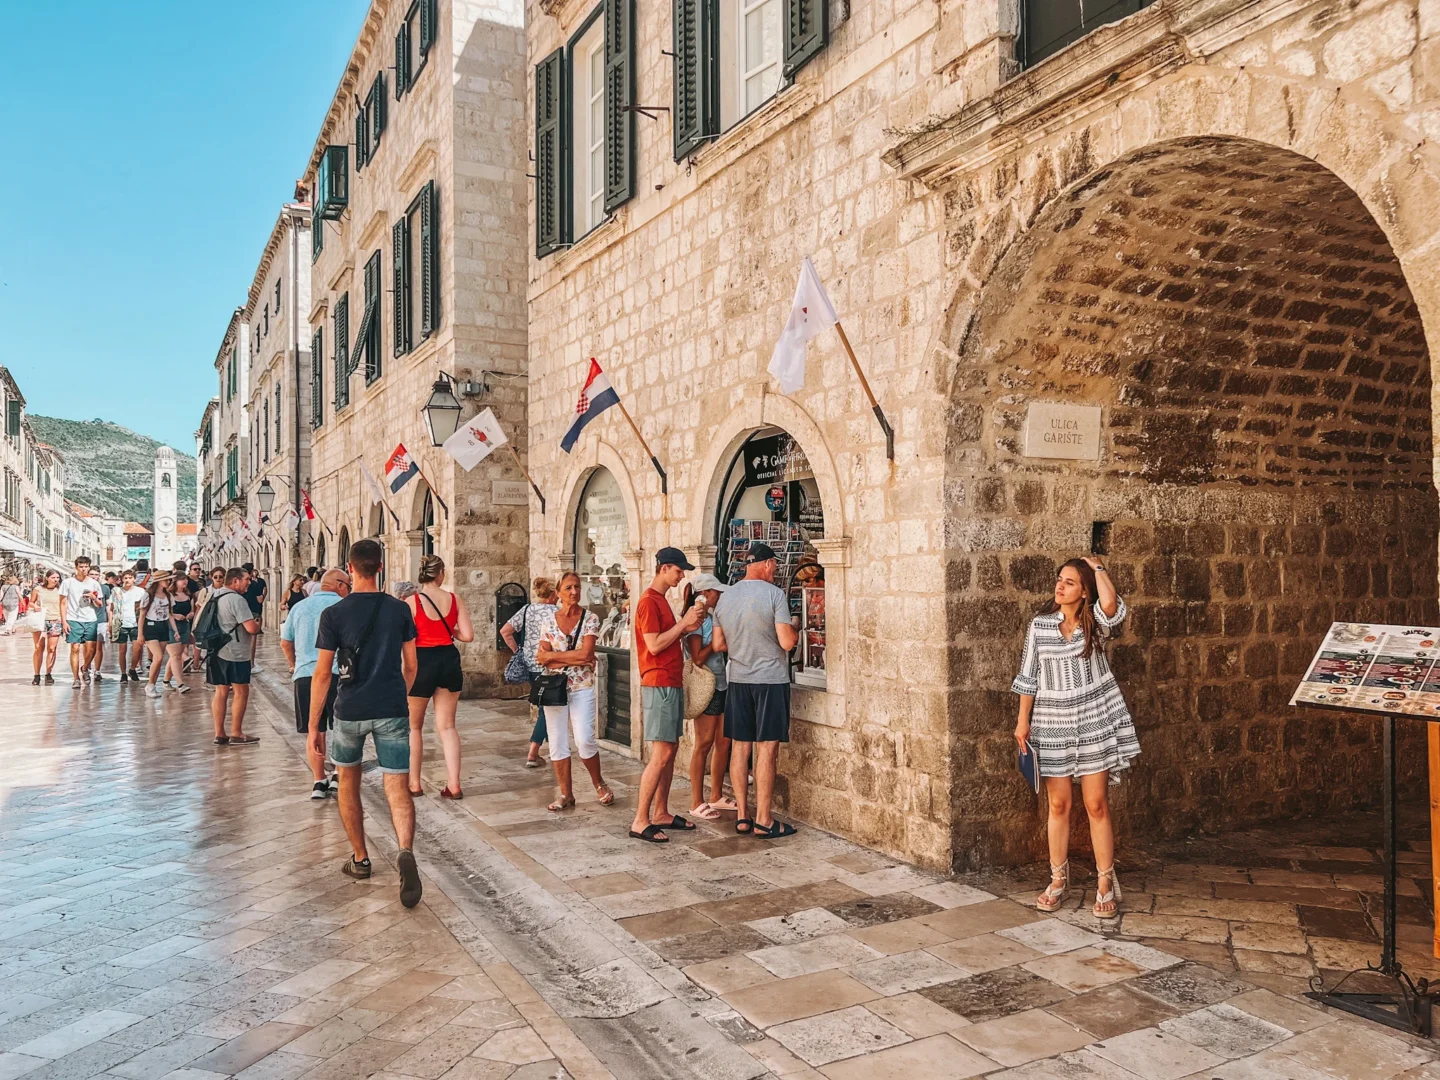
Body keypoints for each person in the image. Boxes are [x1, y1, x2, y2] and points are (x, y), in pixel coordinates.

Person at [1013, 557, 1137, 920]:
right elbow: (1028, 676)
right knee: (1059, 805)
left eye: (1069, 582)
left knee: (1097, 804)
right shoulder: (1040, 626)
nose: (1060, 586)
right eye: (1059, 580)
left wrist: (1097, 569)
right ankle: (1057, 879)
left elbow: (1112, 606)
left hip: (1093, 720)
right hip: (1051, 722)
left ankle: (1105, 883)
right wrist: (1023, 723)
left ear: (1084, 592)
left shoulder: (1095, 623)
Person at [310, 539, 422, 908]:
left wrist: (314, 726)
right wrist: (396, 694)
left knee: (347, 783)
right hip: (391, 708)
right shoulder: (400, 610)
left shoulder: (334, 615)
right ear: (381, 566)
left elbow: (323, 674)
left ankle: (360, 858)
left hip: (349, 711)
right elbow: (411, 666)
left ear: (350, 567)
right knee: (397, 786)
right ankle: (405, 850)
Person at [712, 542, 799, 840]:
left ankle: (742, 817)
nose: (774, 570)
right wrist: (795, 627)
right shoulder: (774, 595)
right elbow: (787, 642)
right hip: (770, 681)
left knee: (740, 747)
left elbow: (718, 645)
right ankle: (764, 819)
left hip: (738, 679)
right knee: (767, 748)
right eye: (773, 564)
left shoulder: (725, 597)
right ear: (766, 564)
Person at [628, 549, 704, 844]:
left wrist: (684, 628)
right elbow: (654, 645)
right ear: (664, 568)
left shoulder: (659, 602)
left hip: (669, 682)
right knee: (660, 755)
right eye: (679, 570)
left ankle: (660, 812)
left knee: (670, 752)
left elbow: (666, 639)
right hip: (659, 682)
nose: (682, 574)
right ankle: (640, 820)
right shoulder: (649, 602)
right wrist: (684, 624)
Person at [534, 571, 614, 812]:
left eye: (577, 587)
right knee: (557, 741)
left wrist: (554, 657)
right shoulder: (548, 621)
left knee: (584, 739)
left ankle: (599, 783)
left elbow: (587, 654)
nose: (574, 592)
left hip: (581, 687)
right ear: (558, 593)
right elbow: (542, 659)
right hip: (554, 688)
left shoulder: (589, 618)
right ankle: (566, 794)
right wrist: (570, 659)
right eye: (568, 588)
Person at [404, 556, 475, 799]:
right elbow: (467, 636)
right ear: (440, 574)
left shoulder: (411, 603)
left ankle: (414, 783)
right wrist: (450, 629)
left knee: (414, 726)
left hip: (421, 661)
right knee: (447, 726)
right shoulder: (454, 599)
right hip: (447, 659)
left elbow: (406, 640)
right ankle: (454, 784)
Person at [281, 567, 350, 799]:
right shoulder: (343, 608)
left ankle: (318, 781)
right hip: (337, 673)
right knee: (340, 727)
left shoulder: (300, 607)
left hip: (305, 673)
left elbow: (285, 641)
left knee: (314, 729)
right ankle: (338, 775)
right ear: (339, 585)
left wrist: (294, 663)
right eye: (348, 586)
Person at [684, 573, 736, 821]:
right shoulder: (697, 622)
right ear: (704, 595)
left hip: (722, 684)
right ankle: (696, 801)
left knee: (723, 741)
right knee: (703, 744)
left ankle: (716, 794)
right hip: (707, 686)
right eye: (716, 592)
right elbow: (697, 657)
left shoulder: (715, 617)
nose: (720, 596)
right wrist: (715, 644)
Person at [500, 577, 558, 767]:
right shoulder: (558, 612)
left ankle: (552, 748)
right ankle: (533, 752)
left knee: (544, 705)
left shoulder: (526, 610)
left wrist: (519, 651)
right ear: (553, 593)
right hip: (551, 665)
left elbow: (505, 631)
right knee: (547, 708)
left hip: (531, 666)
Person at [208, 567, 261, 744]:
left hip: (216, 651)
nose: (249, 582)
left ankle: (219, 733)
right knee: (241, 691)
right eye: (246, 579)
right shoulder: (237, 600)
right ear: (235, 581)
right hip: (236, 652)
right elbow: (251, 628)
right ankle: (236, 732)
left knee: (221, 691)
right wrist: (258, 623)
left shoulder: (214, 595)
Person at [59, 555, 105, 688]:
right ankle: (75, 678)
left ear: (89, 567)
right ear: (76, 567)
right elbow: (62, 603)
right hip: (73, 618)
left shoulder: (94, 584)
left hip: (90, 619)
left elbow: (99, 604)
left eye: (86, 567)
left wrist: (93, 598)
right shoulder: (68, 583)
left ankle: (84, 668)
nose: (83, 569)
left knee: (91, 649)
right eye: (81, 567)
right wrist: (64, 621)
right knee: (75, 647)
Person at [140, 573, 176, 698]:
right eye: (166, 580)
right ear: (160, 581)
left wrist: (175, 630)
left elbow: (170, 614)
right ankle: (150, 684)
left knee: (158, 660)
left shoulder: (168, 595)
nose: (168, 582)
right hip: (150, 626)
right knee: (158, 656)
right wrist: (140, 634)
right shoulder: (148, 595)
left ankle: (152, 685)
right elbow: (142, 615)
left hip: (163, 626)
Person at [111, 570, 147, 681]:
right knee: (122, 650)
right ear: (122, 579)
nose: (127, 580)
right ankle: (123, 673)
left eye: (130, 577)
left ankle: (132, 669)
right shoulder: (117, 591)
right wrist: (110, 622)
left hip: (135, 623)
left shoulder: (140, 591)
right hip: (121, 623)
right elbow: (112, 608)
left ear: (134, 579)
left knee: (137, 648)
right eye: (125, 578)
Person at [29, 569, 62, 685]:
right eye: (53, 577)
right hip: (40, 620)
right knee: (39, 648)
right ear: (47, 578)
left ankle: (48, 673)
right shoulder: (38, 589)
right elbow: (31, 602)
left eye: (57, 577)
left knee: (52, 649)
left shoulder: (60, 590)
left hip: (55, 620)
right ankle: (36, 674)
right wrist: (35, 607)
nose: (56, 580)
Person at [166, 570, 194, 692]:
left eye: (186, 579)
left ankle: (165, 681)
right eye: (182, 579)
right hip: (171, 627)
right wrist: (175, 615)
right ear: (175, 581)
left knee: (175, 656)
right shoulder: (169, 595)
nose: (185, 581)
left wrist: (191, 614)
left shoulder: (189, 595)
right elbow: (166, 611)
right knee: (176, 656)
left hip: (185, 626)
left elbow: (192, 609)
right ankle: (180, 683)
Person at [242, 562, 267, 666]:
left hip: (241, 611)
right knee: (252, 638)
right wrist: (263, 594)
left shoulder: (238, 584)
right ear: (251, 572)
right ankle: (251, 663)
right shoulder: (255, 584)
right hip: (253, 612)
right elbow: (260, 600)